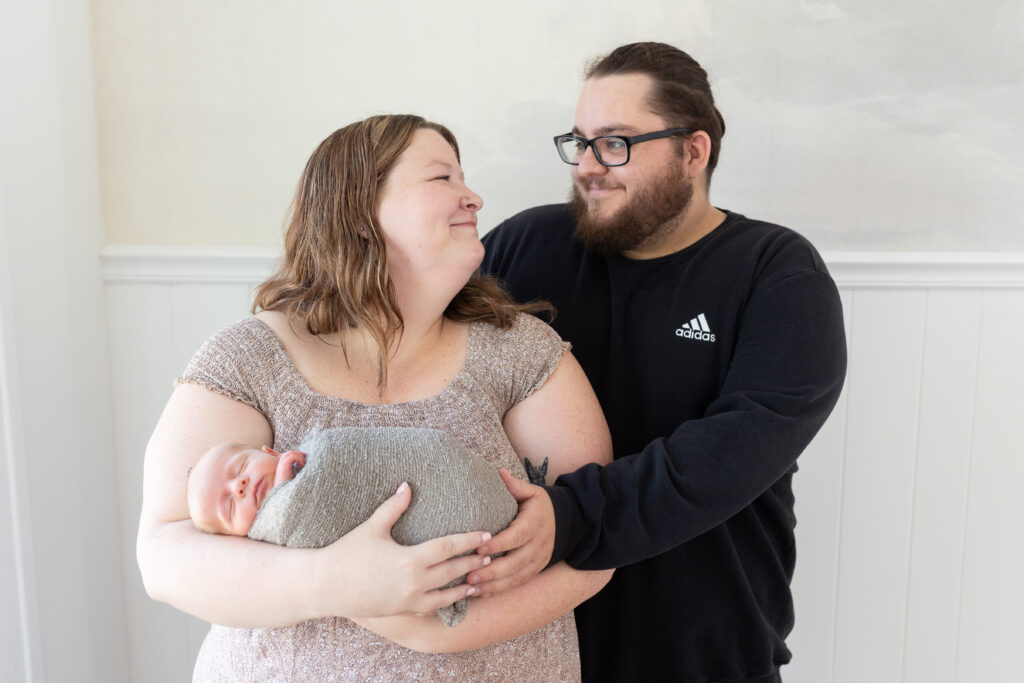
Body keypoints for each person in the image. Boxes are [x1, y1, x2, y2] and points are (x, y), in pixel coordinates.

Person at [137, 114, 613, 680]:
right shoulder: (250, 359)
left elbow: (599, 540)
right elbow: (165, 557)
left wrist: (438, 632)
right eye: (442, 179)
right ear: (360, 214)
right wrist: (341, 582)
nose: (474, 198)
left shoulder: (520, 353)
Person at [474, 42, 848, 682]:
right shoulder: (525, 245)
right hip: (528, 645)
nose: (588, 166)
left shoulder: (777, 272)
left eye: (615, 143)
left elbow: (732, 450)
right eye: (580, 141)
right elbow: (409, 342)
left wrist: (567, 518)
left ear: (693, 151)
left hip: (705, 652)